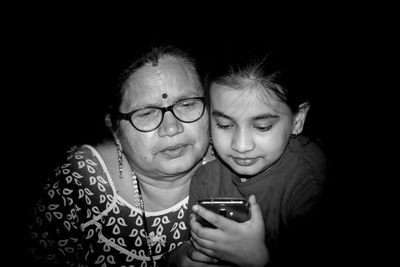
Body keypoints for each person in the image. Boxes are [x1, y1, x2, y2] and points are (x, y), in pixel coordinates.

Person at [25, 44, 214, 266]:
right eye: (146, 113)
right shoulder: (83, 181)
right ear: (115, 129)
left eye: (187, 104)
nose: (172, 128)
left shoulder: (240, 166)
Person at [186, 49, 328, 266]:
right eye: (224, 125)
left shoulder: (312, 182)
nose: (241, 146)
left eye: (262, 127)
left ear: (297, 120)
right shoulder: (205, 180)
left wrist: (258, 261)